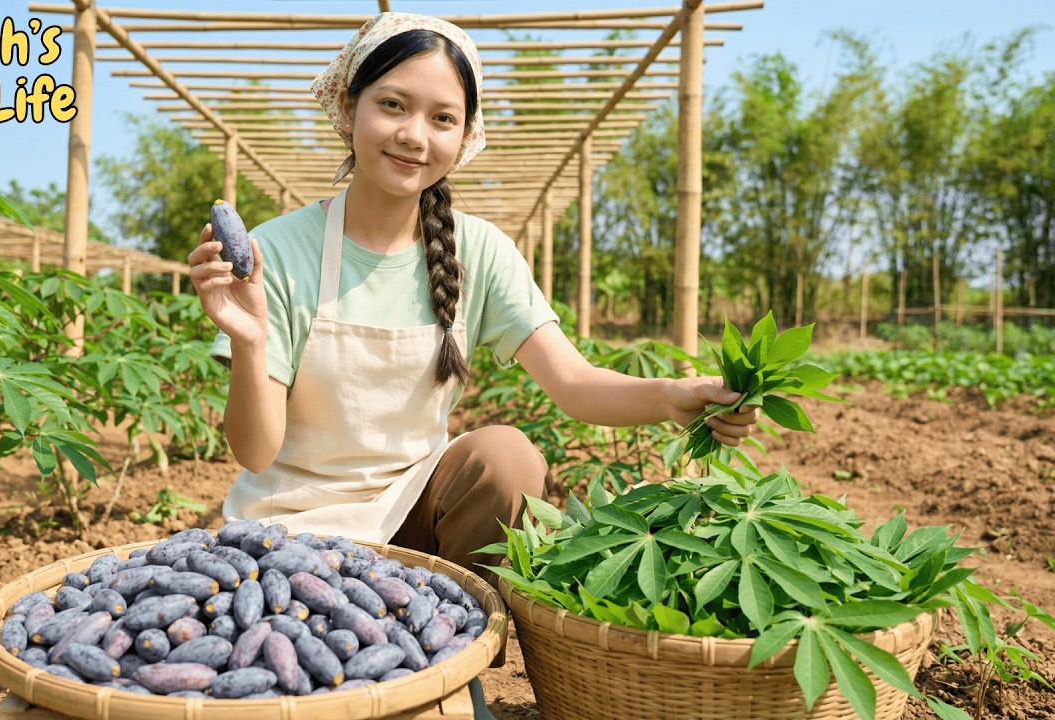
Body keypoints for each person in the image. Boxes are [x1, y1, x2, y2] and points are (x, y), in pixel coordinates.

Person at [188, 12, 758, 582]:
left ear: (464, 136)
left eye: (442, 118)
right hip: (289, 527)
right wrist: (251, 340)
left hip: (412, 514)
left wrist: (676, 396)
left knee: (505, 457)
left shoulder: (479, 250)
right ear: (347, 102)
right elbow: (256, 453)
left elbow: (575, 384)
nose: (415, 135)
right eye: (392, 105)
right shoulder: (277, 250)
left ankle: (460, 648)